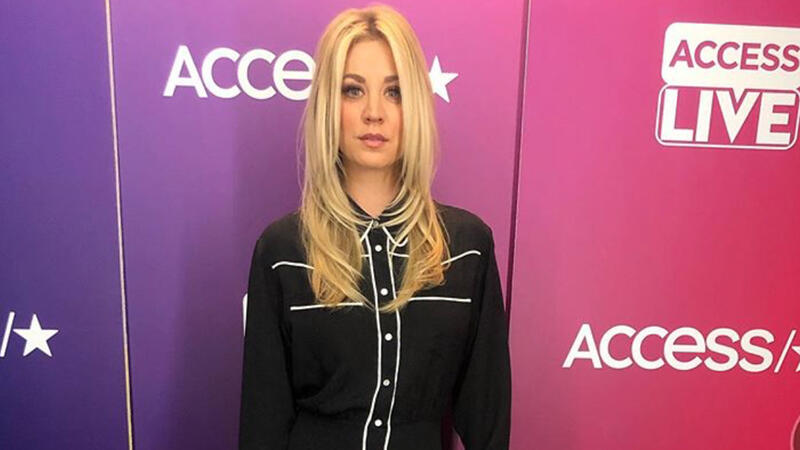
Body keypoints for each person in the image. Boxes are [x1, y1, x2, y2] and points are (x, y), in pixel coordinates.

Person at [238, 4, 510, 450]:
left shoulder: (467, 248)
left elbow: (488, 419)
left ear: (415, 104)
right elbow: (262, 422)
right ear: (329, 104)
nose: (373, 113)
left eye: (394, 92)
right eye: (353, 90)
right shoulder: (282, 251)